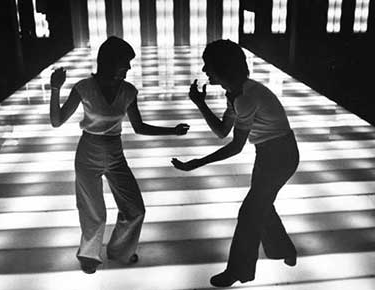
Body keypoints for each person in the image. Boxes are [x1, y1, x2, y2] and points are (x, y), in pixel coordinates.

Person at [49, 36, 190, 274]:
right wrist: (55, 88)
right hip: (88, 153)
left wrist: (172, 131)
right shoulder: (84, 88)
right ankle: (89, 255)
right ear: (110, 62)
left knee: (135, 209)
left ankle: (119, 250)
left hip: (115, 153)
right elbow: (57, 121)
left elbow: (139, 127)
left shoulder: (128, 91)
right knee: (93, 211)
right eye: (126, 62)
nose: (129, 68)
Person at [171, 39, 299, 288]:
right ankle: (284, 249)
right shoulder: (236, 93)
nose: (205, 71)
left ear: (223, 68)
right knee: (261, 205)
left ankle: (238, 272)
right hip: (269, 154)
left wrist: (198, 163)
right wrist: (200, 103)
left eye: (208, 66)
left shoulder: (245, 98)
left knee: (250, 212)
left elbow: (235, 146)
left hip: (280, 157)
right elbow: (221, 130)